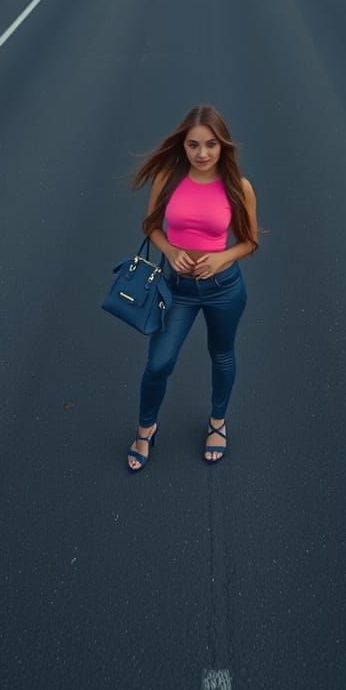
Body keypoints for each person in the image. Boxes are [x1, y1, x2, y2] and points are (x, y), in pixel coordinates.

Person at [127, 105, 258, 472]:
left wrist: (222, 258)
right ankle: (145, 429)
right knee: (158, 364)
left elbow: (249, 242)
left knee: (222, 354)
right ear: (183, 146)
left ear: (223, 147)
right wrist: (169, 249)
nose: (202, 153)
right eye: (193, 145)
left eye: (210, 145)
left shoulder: (238, 187)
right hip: (177, 289)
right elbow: (151, 227)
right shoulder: (168, 179)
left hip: (224, 289)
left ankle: (218, 422)